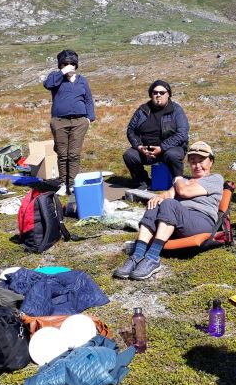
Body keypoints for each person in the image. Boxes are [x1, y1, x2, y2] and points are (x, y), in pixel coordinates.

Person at [113, 141, 224, 281]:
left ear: (211, 162)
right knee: (155, 203)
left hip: (201, 221)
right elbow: (168, 195)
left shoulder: (215, 179)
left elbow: (184, 192)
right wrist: (159, 197)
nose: (197, 165)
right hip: (177, 219)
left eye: (202, 160)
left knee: (169, 204)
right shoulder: (184, 180)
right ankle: (137, 255)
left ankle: (153, 257)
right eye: (193, 161)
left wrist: (177, 178)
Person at [43, 50, 95, 194]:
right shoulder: (55, 78)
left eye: (72, 63)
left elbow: (88, 100)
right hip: (59, 121)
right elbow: (47, 84)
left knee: (73, 154)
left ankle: (72, 183)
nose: (69, 66)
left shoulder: (82, 80)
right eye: (65, 63)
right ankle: (62, 183)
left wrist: (89, 118)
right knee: (62, 153)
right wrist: (62, 72)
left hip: (79, 121)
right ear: (60, 65)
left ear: (76, 64)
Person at [123, 80, 190, 190]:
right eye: (155, 92)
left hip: (169, 149)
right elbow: (131, 130)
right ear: (151, 94)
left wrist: (162, 148)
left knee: (172, 155)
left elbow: (182, 133)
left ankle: (177, 184)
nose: (158, 95)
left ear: (168, 94)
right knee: (129, 155)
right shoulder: (143, 110)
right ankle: (143, 183)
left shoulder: (176, 110)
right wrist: (139, 147)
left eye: (162, 92)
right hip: (145, 150)